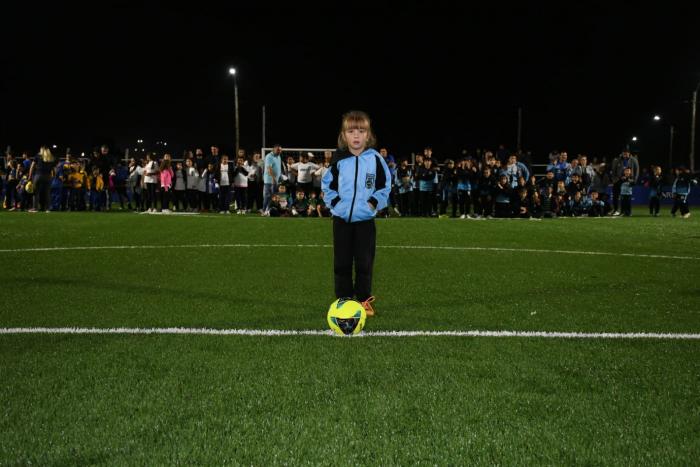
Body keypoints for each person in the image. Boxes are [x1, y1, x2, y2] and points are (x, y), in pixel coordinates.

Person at [322, 111, 391, 317]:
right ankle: (343, 299)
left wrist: (372, 203)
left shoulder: (375, 159)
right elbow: (327, 186)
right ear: (344, 135)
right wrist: (335, 203)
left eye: (361, 131)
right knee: (342, 261)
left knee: (364, 262)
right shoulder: (339, 159)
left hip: (365, 221)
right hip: (341, 220)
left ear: (368, 135)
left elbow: (384, 186)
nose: (356, 135)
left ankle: (363, 300)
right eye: (351, 131)